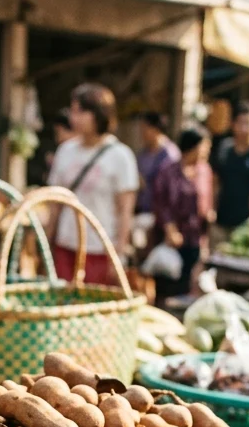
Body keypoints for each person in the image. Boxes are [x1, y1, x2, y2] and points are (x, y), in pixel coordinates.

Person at [46, 83, 139, 284]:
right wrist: (47, 239)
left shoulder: (120, 156)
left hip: (100, 249)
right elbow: (56, 203)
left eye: (80, 112)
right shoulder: (65, 151)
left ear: (98, 115)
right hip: (66, 245)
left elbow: (125, 210)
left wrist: (119, 253)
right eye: (72, 111)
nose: (73, 118)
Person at [151, 126, 213, 296]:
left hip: (195, 237)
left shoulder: (204, 171)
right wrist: (169, 229)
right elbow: (161, 203)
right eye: (204, 146)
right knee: (168, 281)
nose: (207, 150)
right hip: (171, 237)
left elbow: (207, 199)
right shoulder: (168, 171)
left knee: (190, 281)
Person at [212, 100, 249, 239]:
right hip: (222, 222)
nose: (245, 129)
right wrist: (212, 209)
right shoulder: (224, 149)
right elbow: (216, 181)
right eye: (241, 123)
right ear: (233, 124)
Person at [136, 111, 179, 214]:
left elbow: (171, 186)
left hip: (162, 214)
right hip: (143, 210)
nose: (142, 133)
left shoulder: (170, 154)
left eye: (145, 129)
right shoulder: (143, 154)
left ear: (156, 129)